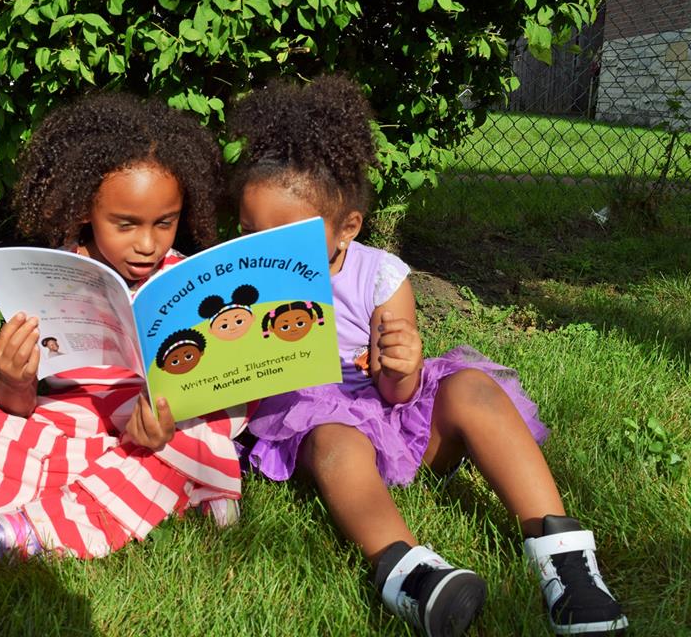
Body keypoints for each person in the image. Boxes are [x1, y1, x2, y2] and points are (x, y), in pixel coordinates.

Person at [228, 75, 627, 637]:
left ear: (347, 228)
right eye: (250, 233)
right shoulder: (239, 286)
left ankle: (564, 556)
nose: (263, 252)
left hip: (399, 420)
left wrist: (400, 365)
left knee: (473, 387)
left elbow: (400, 394)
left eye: (285, 237)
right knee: (334, 437)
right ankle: (411, 574)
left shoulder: (379, 277)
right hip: (321, 428)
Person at [0, 93, 247, 563]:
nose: (148, 244)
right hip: (75, 426)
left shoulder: (188, 283)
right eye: (126, 224)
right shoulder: (46, 278)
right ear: (84, 211)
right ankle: (155, 484)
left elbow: (223, 393)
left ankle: (38, 530)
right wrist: (12, 379)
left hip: (161, 426)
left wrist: (163, 422)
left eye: (165, 223)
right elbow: (20, 409)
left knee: (201, 431)